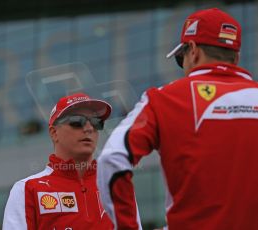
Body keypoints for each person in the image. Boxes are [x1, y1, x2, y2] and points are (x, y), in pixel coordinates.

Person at [97, 8, 258, 230]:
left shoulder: (163, 100)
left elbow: (112, 159)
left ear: (193, 51)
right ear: (236, 57)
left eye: (181, 59)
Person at [3, 92, 114, 229]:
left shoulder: (116, 185)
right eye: (77, 121)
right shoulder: (27, 189)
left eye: (96, 122)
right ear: (54, 133)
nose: (89, 128)